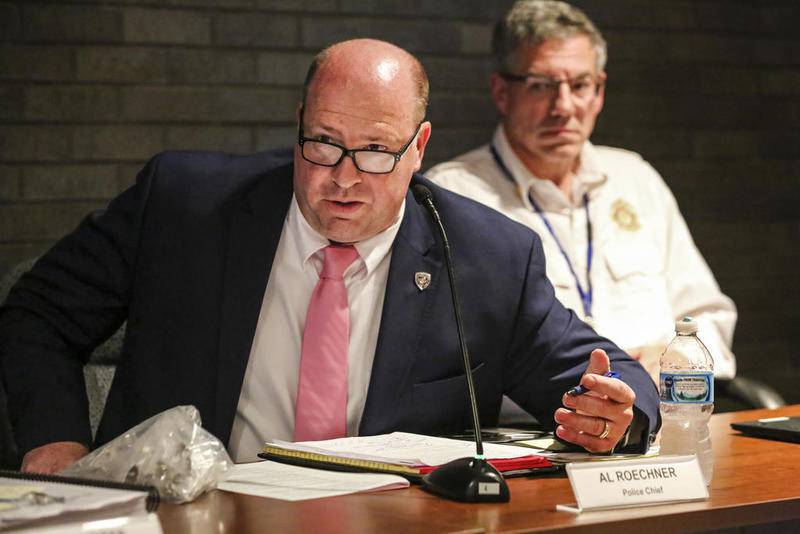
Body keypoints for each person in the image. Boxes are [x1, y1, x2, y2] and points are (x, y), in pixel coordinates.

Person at [0, 38, 659, 474]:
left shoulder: (487, 256)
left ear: (419, 146)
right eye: (322, 143)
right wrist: (56, 447)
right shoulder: (182, 205)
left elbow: (613, 376)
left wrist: (616, 413)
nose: (344, 178)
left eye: (376, 151)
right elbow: (36, 314)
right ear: (298, 123)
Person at [427, 0, 736, 382]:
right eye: (541, 86)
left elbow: (708, 316)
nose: (564, 106)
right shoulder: (454, 195)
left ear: (599, 91)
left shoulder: (636, 178)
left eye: (579, 85)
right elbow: (451, 355)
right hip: (536, 428)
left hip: (660, 411)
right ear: (501, 92)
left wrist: (668, 364)